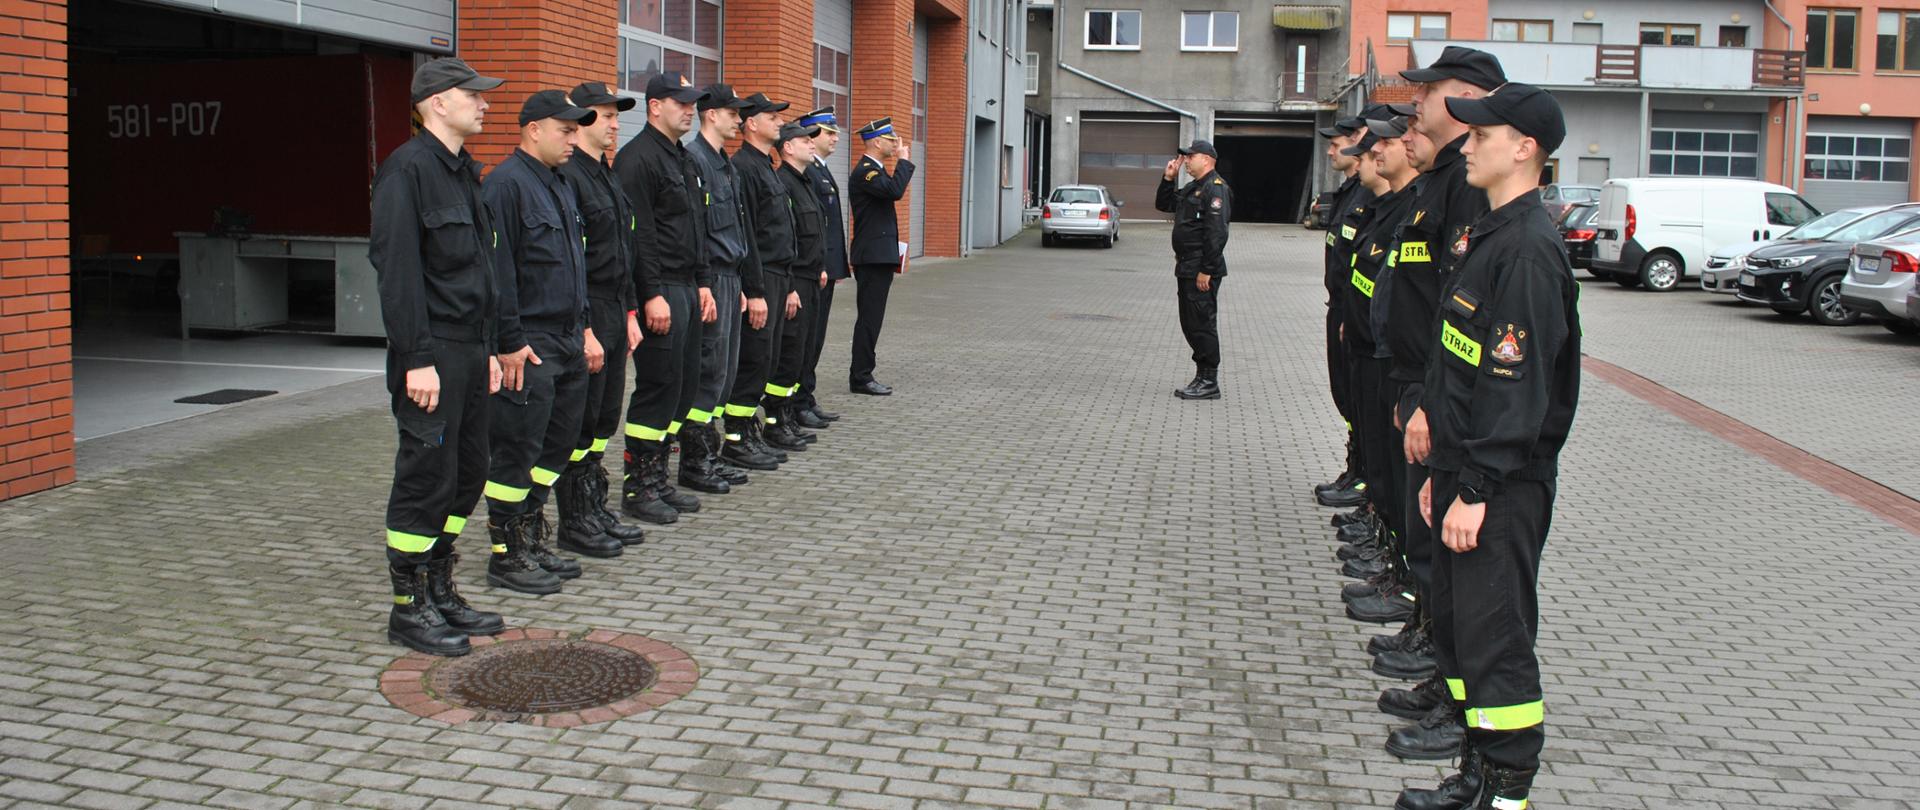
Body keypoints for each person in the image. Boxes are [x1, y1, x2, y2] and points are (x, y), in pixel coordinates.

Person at [1397, 82, 1578, 810]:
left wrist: (1475, 487)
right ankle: (1476, 773)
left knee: (1497, 641)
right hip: (1465, 471)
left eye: (1481, 135)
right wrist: (1446, 470)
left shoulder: (1530, 252)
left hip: (1498, 488)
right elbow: (1458, 366)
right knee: (1465, 635)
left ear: (1524, 148)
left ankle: (1505, 793)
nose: (1466, 144)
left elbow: (1517, 391)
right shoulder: (1490, 234)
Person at [1374, 46, 1509, 766]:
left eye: (1427, 92)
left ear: (1462, 95)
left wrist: (1429, 397)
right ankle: (1446, 686)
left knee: (1477, 601)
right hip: (1429, 392)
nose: (1416, 104)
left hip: (1461, 419)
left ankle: (1474, 735)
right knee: (1446, 577)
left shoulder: (1472, 191)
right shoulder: (1449, 182)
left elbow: (1462, 318)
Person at [370, 57, 506, 657]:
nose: (484, 104)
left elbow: (481, 271)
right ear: (436, 102)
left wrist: (495, 348)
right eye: (472, 95)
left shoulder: (460, 173)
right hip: (433, 354)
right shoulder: (408, 171)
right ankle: (408, 606)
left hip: (472, 349)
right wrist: (416, 358)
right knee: (425, 477)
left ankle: (439, 585)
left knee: (467, 471)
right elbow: (397, 275)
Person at [480, 90, 616, 604]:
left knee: (554, 447)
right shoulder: (506, 186)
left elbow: (575, 267)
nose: (572, 137)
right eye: (564, 129)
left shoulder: (559, 184)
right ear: (534, 129)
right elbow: (500, 273)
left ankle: (532, 536)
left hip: (566, 337)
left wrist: (583, 329)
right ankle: (507, 553)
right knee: (517, 449)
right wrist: (509, 342)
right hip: (529, 343)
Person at [614, 72, 710, 525]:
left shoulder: (682, 159)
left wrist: (703, 281)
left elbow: (695, 228)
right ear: (655, 106)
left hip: (687, 286)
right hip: (662, 288)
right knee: (657, 386)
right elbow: (642, 238)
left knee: (682, 387)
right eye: (681, 102)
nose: (689, 109)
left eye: (692, 103)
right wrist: (650, 295)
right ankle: (639, 485)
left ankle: (660, 477)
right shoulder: (638, 160)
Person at [556, 81, 648, 552]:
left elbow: (624, 250)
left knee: (604, 419)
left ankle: (593, 506)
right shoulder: (570, 175)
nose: (615, 123)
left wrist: (631, 311)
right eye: (607, 115)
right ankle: (574, 521)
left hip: (615, 309)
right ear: (582, 118)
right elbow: (575, 261)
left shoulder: (606, 174)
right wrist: (587, 327)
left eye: (616, 116)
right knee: (580, 421)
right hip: (587, 312)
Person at [1340, 114, 1422, 634]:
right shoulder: (1382, 207)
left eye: (1379, 146)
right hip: (1373, 348)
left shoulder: (1414, 209)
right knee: (1383, 466)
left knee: (1401, 481)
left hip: (1397, 363)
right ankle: (1388, 548)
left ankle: (1407, 582)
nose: (1367, 154)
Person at [684, 85, 776, 481]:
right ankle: (695, 460)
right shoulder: (696, 161)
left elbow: (740, 230)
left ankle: (711, 451)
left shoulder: (723, 163)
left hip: (730, 276)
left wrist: (744, 285)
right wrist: (707, 282)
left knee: (723, 373)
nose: (738, 118)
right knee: (708, 372)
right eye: (731, 112)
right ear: (711, 115)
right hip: (712, 276)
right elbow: (698, 231)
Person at [727, 93, 811, 454]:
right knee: (753, 358)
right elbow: (749, 237)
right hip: (761, 278)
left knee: (770, 357)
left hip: (779, 277)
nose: (779, 122)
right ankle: (736, 437)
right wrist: (754, 288)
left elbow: (781, 230)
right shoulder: (744, 167)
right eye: (771, 117)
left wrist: (788, 285)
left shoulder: (764, 165)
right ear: (751, 124)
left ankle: (753, 430)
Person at [1316, 112, 1372, 510]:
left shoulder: (1370, 192)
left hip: (1358, 317)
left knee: (1362, 401)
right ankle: (1357, 469)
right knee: (1348, 397)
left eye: (1341, 141)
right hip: (1343, 310)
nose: (1332, 148)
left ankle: (1365, 478)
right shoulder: (1354, 190)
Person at [1155, 139, 1232, 400]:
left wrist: (1206, 270)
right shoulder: (1194, 188)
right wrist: (1168, 179)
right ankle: (1202, 376)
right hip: (1186, 266)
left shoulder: (1215, 189)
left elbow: (1216, 233)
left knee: (1202, 324)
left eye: (1191, 156)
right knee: (1190, 323)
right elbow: (1164, 205)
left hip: (1201, 269)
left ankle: (1209, 381)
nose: (1186, 160)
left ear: (1207, 160)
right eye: (1185, 157)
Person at [847, 117, 915, 396]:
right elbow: (894, 192)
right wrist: (904, 161)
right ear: (877, 142)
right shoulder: (866, 172)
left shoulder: (877, 170)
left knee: (873, 318)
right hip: (871, 257)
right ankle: (861, 376)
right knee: (869, 319)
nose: (896, 143)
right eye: (890, 139)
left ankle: (863, 372)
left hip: (879, 255)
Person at [795, 106, 846, 426]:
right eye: (829, 132)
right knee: (807, 338)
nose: (835, 137)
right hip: (815, 269)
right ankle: (799, 399)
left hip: (824, 268)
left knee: (815, 338)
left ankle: (806, 395)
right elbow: (812, 227)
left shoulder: (821, 169)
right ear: (812, 136)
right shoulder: (810, 172)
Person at [775, 121, 827, 436]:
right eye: (805, 140)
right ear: (788, 147)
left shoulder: (805, 181)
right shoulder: (784, 182)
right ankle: (784, 414)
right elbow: (787, 238)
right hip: (795, 279)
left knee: (806, 349)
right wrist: (790, 286)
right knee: (790, 351)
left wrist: (820, 266)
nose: (812, 144)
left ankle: (796, 408)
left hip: (811, 277)